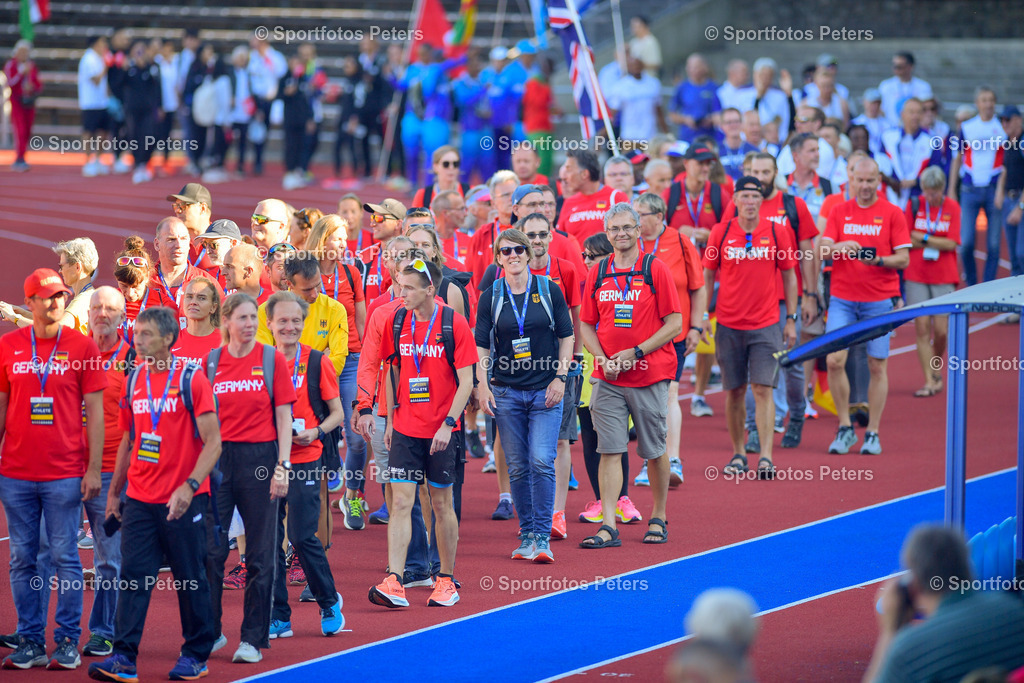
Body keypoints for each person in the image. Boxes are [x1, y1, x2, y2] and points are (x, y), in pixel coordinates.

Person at [87, 306, 220, 682]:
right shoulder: (134, 380)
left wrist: (190, 486)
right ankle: (124, 657)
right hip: (142, 498)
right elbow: (129, 440)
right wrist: (115, 494)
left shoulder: (192, 379)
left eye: (146, 335)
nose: (138, 340)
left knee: (189, 576)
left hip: (185, 499)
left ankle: (196, 653)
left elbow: (214, 443)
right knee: (134, 576)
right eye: (138, 333)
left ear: (167, 339)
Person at [0, 269, 106, 670]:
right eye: (45, 297)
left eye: (60, 295)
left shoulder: (81, 347)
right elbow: (1, 407)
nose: (55, 303)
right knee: (23, 558)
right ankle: (29, 640)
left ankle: (65, 641)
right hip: (16, 472)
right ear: (28, 302)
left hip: (64, 473)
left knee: (64, 558)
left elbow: (95, 414)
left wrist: (93, 469)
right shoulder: (8, 346)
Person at [369, 259, 474, 608]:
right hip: (405, 429)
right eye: (400, 285)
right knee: (401, 502)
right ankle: (395, 580)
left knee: (442, 504)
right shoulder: (397, 320)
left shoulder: (453, 323)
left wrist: (449, 424)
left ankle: (445, 579)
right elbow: (392, 370)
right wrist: (389, 419)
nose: (402, 293)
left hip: (442, 431)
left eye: (410, 287)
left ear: (430, 289)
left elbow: (466, 382)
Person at [579, 204, 682, 548]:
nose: (621, 234)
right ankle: (608, 525)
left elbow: (675, 324)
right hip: (608, 377)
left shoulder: (656, 269)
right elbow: (586, 324)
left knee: (653, 450)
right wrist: (602, 357)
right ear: (607, 234)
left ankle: (659, 515)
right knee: (609, 450)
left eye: (627, 227)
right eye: (614, 229)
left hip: (649, 374)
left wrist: (636, 352)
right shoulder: (598, 272)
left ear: (639, 230)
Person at [205, 293, 296, 664]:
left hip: (261, 459)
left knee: (260, 554)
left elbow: (284, 417)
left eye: (252, 318)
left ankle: (252, 638)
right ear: (226, 320)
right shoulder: (212, 362)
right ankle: (209, 632)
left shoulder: (270, 359)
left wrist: (283, 466)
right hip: (219, 460)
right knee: (210, 551)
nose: (248, 324)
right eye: (241, 318)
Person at [476, 227, 574, 559]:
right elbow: (480, 344)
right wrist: (482, 383)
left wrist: (561, 377)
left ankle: (543, 537)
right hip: (507, 393)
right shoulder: (491, 295)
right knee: (517, 465)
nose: (514, 256)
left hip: (545, 391)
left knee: (541, 460)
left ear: (529, 254)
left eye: (519, 250)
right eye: (506, 251)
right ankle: (527, 531)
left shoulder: (549, 290)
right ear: (497, 257)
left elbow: (567, 335)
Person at [703, 177, 798, 478]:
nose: (750, 201)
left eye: (755, 196)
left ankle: (766, 457)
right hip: (729, 324)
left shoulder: (776, 231)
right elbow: (707, 276)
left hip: (766, 324)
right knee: (734, 391)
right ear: (735, 199)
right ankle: (739, 453)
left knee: (763, 389)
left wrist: (791, 318)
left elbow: (790, 276)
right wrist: (704, 314)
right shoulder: (721, 231)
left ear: (761, 200)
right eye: (744, 195)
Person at [265, 292, 345, 639]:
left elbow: (338, 413)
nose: (290, 326)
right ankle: (279, 615)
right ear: (269, 324)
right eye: (282, 320)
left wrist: (314, 431)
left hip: (306, 459)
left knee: (300, 536)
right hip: (267, 462)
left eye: (296, 320)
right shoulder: (261, 362)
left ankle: (328, 601)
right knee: (269, 542)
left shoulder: (316, 361)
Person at [820, 157, 911, 455]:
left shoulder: (892, 212)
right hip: (843, 299)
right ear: (851, 181)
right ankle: (845, 426)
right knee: (834, 360)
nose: (865, 186)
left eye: (870, 180)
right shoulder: (839, 211)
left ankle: (873, 431)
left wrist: (879, 260)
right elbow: (821, 249)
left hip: (878, 300)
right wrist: (839, 247)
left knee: (877, 364)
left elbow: (904, 259)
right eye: (859, 180)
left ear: (879, 180)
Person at [863, 524, 1024, 682]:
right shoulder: (1016, 612)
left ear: (914, 585)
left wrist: (890, 632)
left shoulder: (910, 651)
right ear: (966, 567)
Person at [634, 192, 705, 487]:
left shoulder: (680, 241)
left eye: (641, 215)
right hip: (638, 335)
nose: (635, 221)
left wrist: (696, 327)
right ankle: (650, 459)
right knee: (644, 399)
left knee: (670, 393)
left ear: (659, 216)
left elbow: (698, 287)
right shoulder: (628, 243)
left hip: (673, 331)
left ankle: (672, 459)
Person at [77, 287, 131, 659]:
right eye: (96, 306)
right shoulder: (73, 353)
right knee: (53, 555)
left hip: (111, 470)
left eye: (110, 308)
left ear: (123, 316)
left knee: (109, 558)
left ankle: (103, 631)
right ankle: (52, 633)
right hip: (64, 469)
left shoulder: (133, 359)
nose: (102, 313)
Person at [305, 215, 368, 528]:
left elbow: (361, 318)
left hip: (350, 362)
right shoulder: (305, 270)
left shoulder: (351, 272)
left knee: (356, 436)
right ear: (322, 238)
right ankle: (313, 502)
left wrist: (364, 356)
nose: (344, 244)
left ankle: (353, 496)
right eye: (338, 238)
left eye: (346, 239)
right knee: (319, 433)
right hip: (312, 363)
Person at [904, 167, 961, 397]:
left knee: (941, 331)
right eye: (927, 193)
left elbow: (952, 244)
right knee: (921, 327)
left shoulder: (952, 207)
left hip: (944, 275)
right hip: (916, 273)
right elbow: (906, 240)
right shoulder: (914, 205)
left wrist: (925, 237)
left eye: (935, 193)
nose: (931, 198)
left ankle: (935, 367)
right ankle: (929, 379)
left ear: (942, 189)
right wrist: (936, 241)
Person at [949, 86, 1007, 285]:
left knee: (993, 244)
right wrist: (951, 189)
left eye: (991, 99)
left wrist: (1001, 188)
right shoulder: (967, 127)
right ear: (977, 103)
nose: (988, 104)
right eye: (984, 100)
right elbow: (957, 158)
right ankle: (973, 284)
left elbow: (1006, 161)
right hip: (969, 188)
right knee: (965, 242)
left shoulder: (1002, 127)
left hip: (993, 189)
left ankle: (988, 284)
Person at [152, 217, 215, 326]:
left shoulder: (208, 283)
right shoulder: (143, 283)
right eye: (171, 239)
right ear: (157, 244)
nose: (178, 245)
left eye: (184, 239)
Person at [112, 237, 176, 344]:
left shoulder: (164, 306)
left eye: (136, 286)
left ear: (147, 277)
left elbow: (174, 347)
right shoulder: (108, 301)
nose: (130, 294)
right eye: (124, 286)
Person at [557, 150, 630, 244]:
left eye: (569, 170)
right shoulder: (569, 202)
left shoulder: (616, 197)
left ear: (584, 174)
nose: (565, 177)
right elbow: (561, 240)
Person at [880, 97, 941, 210]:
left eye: (918, 112)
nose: (915, 116)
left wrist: (915, 182)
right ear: (902, 114)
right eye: (911, 112)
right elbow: (882, 163)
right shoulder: (888, 137)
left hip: (918, 196)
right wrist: (894, 182)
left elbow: (935, 168)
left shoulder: (931, 141)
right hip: (892, 193)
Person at [122, 40, 162, 185]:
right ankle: (138, 164)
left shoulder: (152, 68)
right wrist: (124, 68)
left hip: (148, 109)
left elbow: (158, 88)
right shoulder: (128, 68)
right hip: (132, 110)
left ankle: (145, 162)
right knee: (134, 137)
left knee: (150, 136)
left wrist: (160, 106)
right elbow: (119, 85)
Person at [607, 57, 666, 145]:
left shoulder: (653, 83)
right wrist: (604, 134)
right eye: (633, 65)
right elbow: (613, 114)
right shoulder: (620, 86)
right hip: (630, 137)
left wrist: (666, 132)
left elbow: (659, 111)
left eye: (638, 65)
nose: (636, 67)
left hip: (650, 137)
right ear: (628, 67)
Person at [5, 39, 42, 172]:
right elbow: (10, 83)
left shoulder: (31, 65)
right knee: (19, 129)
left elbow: (38, 83)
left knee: (27, 130)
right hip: (17, 101)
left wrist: (33, 87)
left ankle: (23, 155)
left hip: (29, 101)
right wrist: (21, 73)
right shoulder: (11, 65)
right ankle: (19, 157)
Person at [78, 35, 111, 177]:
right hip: (90, 102)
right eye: (102, 43)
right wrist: (106, 66)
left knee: (102, 132)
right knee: (89, 132)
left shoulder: (99, 58)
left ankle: (98, 159)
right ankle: (87, 161)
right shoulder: (88, 58)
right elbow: (96, 80)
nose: (104, 46)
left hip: (101, 102)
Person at [998, 105, 1024, 280]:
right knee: (1013, 257)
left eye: (1008, 120)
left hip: (1020, 201)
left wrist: (1020, 207)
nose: (1004, 124)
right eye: (1002, 120)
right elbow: (1005, 168)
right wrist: (999, 191)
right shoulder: (1008, 142)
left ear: (1018, 120)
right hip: (1009, 199)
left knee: (1022, 253)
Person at [668, 54, 719, 143]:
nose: (694, 70)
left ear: (704, 67)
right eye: (691, 67)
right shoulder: (682, 88)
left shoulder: (713, 88)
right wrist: (685, 120)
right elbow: (672, 115)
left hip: (709, 137)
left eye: (697, 67)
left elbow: (719, 113)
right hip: (687, 137)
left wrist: (710, 120)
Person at [171, 277, 222, 366]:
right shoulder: (170, 342)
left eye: (201, 298)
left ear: (213, 307)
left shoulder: (225, 343)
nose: (193, 302)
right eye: (189, 297)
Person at [167, 183, 216, 270]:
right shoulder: (174, 243)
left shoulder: (222, 241)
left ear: (202, 208)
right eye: (176, 206)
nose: (178, 211)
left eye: (183, 206)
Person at [878, 51, 933, 127]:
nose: (895, 69)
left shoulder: (923, 86)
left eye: (899, 66)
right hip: (892, 128)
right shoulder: (886, 86)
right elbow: (881, 110)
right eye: (894, 66)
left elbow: (927, 109)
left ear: (910, 67)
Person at [195, 219, 242, 288]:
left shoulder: (247, 275)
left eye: (213, 245)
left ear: (233, 243)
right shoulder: (209, 278)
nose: (207, 251)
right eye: (205, 244)